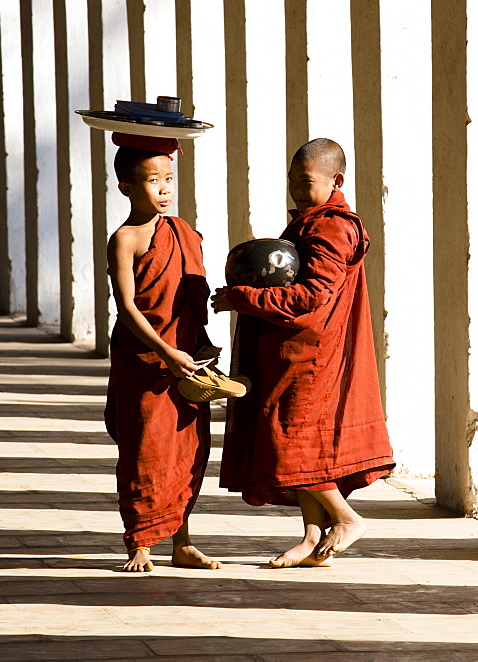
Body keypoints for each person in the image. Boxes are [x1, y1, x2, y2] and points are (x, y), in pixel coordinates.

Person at [211, 138, 395, 568]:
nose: (296, 188)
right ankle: (312, 538)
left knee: (290, 440)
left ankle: (346, 519)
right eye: (292, 179)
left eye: (305, 181)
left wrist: (245, 299)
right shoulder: (311, 222)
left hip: (315, 354)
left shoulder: (333, 227)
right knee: (302, 442)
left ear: (337, 181)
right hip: (293, 348)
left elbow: (310, 296)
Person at [104, 134, 221, 572]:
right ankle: (140, 542)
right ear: (127, 188)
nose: (165, 188)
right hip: (146, 362)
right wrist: (166, 352)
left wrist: (199, 346)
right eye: (153, 180)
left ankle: (183, 541)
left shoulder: (184, 233)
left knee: (187, 452)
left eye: (169, 178)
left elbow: (192, 299)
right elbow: (128, 307)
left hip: (185, 360)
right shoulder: (126, 239)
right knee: (145, 451)